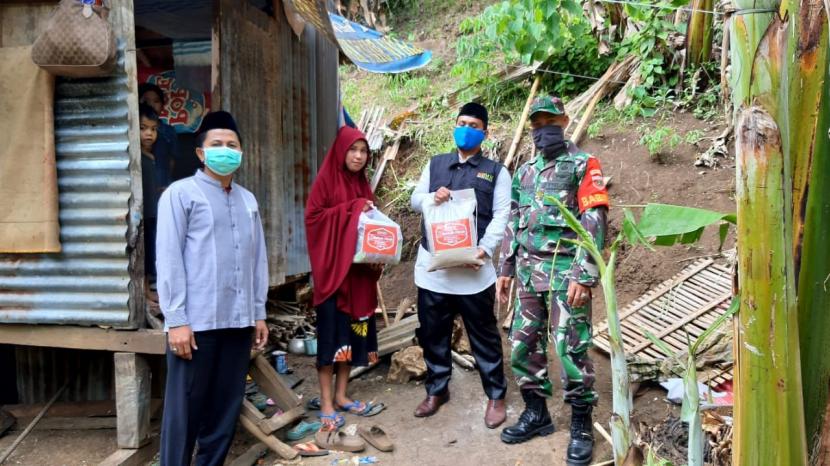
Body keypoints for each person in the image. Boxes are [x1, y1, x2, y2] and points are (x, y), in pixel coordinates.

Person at [496, 95, 609, 465]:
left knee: (571, 348)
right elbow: (514, 220)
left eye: (551, 121)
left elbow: (594, 219)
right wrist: (506, 269)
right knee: (523, 347)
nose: (544, 129)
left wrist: (584, 274)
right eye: (537, 123)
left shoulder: (583, 164)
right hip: (529, 276)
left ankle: (580, 424)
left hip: (566, 275)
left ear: (564, 120)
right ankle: (536, 413)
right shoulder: (525, 170)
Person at [156, 111, 270, 466]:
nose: (225, 151)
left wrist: (258, 312)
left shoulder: (247, 200)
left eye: (232, 145)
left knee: (224, 411)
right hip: (196, 325)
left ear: (241, 152)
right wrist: (176, 319)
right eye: (216, 144)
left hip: (238, 324)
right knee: (184, 412)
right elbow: (169, 258)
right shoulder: (180, 195)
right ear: (201, 153)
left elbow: (257, 260)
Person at [409, 102, 510, 428]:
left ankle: (496, 394)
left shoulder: (496, 172)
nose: (466, 129)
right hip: (433, 272)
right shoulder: (436, 164)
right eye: (461, 122)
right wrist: (430, 198)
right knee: (433, 334)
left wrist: (485, 249)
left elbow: (502, 215)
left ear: (485, 132)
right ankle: (437, 389)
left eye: (474, 125)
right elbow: (414, 200)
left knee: (484, 335)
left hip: (474, 273)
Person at [305, 125, 385, 430]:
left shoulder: (363, 184)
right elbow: (314, 219)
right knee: (331, 340)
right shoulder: (326, 181)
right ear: (341, 151)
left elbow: (372, 227)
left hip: (358, 278)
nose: (359, 156)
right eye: (353, 149)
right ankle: (326, 402)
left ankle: (342, 395)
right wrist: (351, 209)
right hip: (333, 278)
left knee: (351, 338)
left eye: (363, 151)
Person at [139, 104, 165, 303]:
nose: (149, 133)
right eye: (143, 128)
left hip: (152, 212)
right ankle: (145, 290)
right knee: (144, 252)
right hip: (142, 213)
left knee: (151, 250)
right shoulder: (136, 157)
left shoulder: (152, 157)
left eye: (153, 129)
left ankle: (149, 287)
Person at [139, 83, 179, 180]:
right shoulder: (133, 128)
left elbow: (172, 160)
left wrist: (166, 180)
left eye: (156, 101)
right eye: (146, 100)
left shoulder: (169, 131)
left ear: (162, 106)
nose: (151, 104)